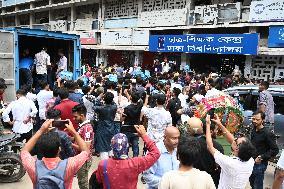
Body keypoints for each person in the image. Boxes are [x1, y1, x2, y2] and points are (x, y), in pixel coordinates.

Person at [20, 119, 90, 189]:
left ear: (40, 149)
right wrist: (73, 132)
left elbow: (24, 151)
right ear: (59, 149)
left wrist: (40, 131)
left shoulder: (33, 166)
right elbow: (86, 151)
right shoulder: (69, 165)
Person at [95, 125, 161, 189]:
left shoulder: (103, 164)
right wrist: (144, 136)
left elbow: (99, 180)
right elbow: (156, 153)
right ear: (127, 147)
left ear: (111, 147)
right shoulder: (135, 163)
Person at [205, 115, 256, 189]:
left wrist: (208, 124)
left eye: (236, 140)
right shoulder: (250, 160)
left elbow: (210, 147)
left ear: (237, 149)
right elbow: (232, 140)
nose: (234, 139)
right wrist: (220, 124)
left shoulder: (229, 163)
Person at [249, 111, 279, 189]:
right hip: (251, 162)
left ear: (263, 120)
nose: (254, 121)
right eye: (253, 119)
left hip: (260, 164)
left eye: (257, 119)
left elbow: (275, 150)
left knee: (257, 186)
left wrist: (261, 157)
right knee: (252, 183)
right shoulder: (254, 129)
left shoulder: (267, 133)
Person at [72, 104, 94, 189]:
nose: (74, 119)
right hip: (80, 158)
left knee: (83, 183)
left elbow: (86, 149)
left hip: (84, 161)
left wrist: (70, 144)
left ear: (82, 115)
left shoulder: (87, 128)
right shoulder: (82, 126)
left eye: (75, 117)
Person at [93, 92, 117, 159]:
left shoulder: (100, 108)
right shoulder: (114, 107)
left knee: (103, 147)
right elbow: (113, 102)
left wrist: (99, 98)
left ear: (104, 99)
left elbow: (94, 106)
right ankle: (111, 162)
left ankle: (105, 165)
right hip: (111, 127)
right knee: (111, 145)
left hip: (102, 128)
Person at [120, 92, 142, 157]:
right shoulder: (140, 107)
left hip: (127, 128)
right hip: (136, 129)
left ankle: (125, 160)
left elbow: (121, 119)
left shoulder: (127, 108)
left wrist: (121, 113)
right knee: (135, 145)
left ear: (131, 98)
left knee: (125, 146)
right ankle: (135, 160)